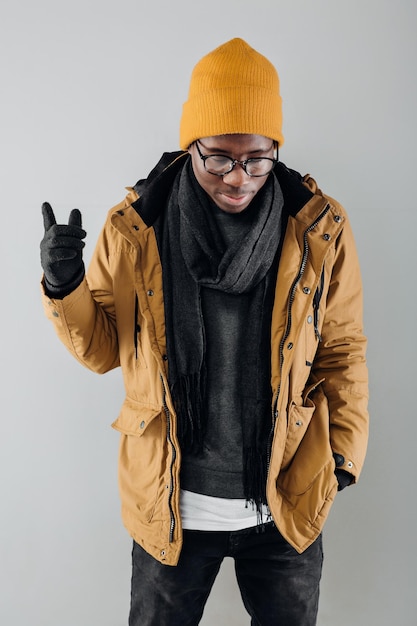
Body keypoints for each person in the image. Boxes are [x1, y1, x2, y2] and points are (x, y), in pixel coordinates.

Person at [40, 38, 369, 626]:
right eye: (218, 157)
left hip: (284, 503)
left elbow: (342, 350)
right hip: (171, 507)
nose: (238, 177)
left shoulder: (320, 228)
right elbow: (102, 352)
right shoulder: (137, 227)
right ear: (191, 145)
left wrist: (342, 454)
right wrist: (64, 288)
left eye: (257, 158)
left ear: (276, 150)